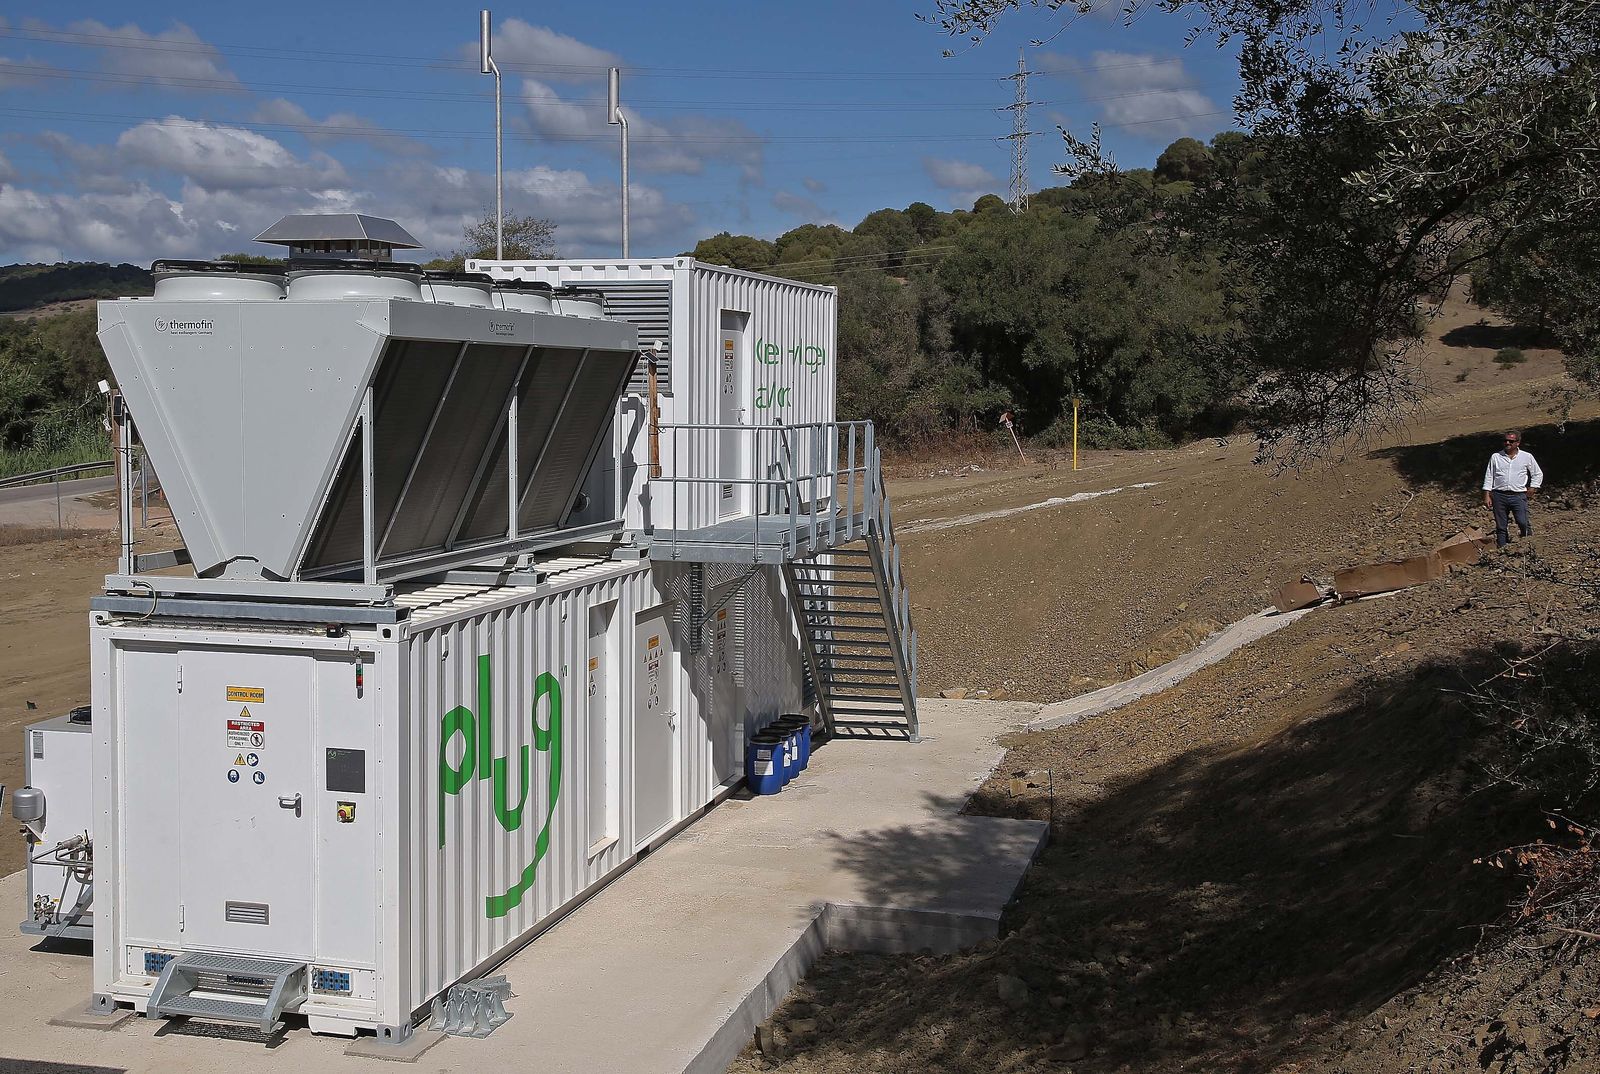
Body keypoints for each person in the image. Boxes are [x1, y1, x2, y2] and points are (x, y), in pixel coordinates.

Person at [1482, 430, 1543, 548]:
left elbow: (1537, 473)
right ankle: (1502, 548)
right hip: (1499, 495)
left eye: (1511, 441)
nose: (1507, 443)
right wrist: (1486, 495)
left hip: (1518, 495)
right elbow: (1489, 476)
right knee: (1501, 525)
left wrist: (1533, 487)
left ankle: (1528, 545)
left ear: (1518, 443)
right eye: (1505, 440)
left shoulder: (1527, 457)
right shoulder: (1496, 457)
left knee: (1522, 521)